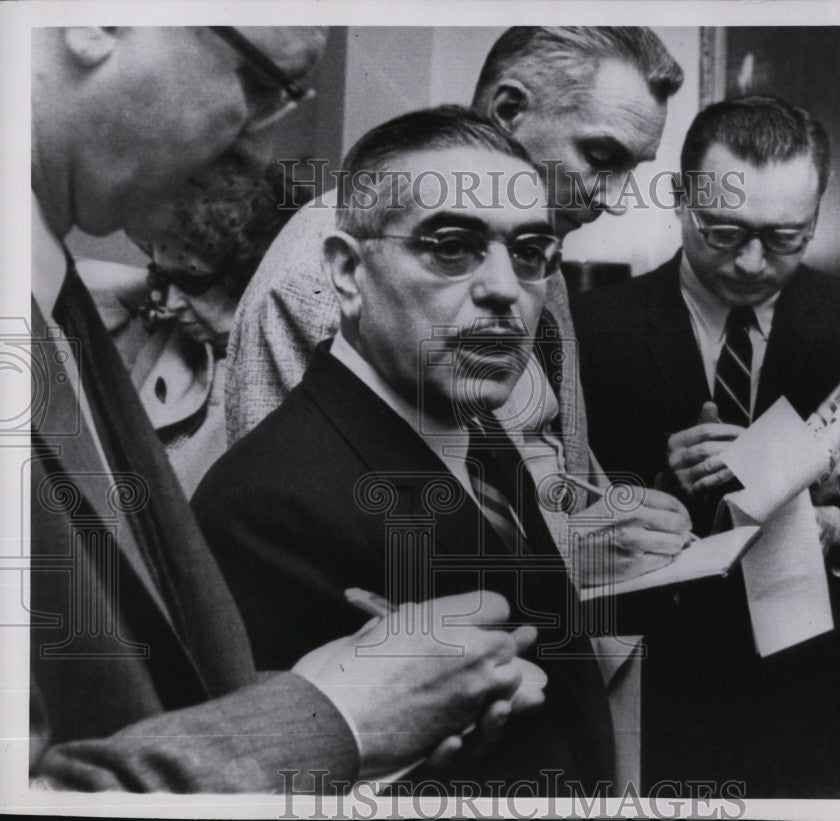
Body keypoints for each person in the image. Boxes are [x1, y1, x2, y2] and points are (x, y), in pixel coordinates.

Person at [30, 26, 536, 792]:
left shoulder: (51, 299)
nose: (261, 151)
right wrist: (331, 715)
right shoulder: (271, 498)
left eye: (532, 253)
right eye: (259, 80)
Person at [193, 106, 692, 794]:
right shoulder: (267, 510)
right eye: (451, 246)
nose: (502, 289)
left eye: (528, 253)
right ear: (345, 271)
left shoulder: (473, 427)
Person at [225, 26, 684, 493]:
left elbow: (551, 443)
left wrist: (611, 508)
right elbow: (306, 511)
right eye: (601, 155)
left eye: (632, 169)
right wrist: (576, 559)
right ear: (508, 110)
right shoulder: (330, 261)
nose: (616, 199)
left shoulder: (534, 246)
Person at [571, 96, 840, 796]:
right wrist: (659, 485)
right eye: (724, 232)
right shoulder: (587, 328)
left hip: (813, 700)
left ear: (817, 216)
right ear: (679, 198)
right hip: (649, 693)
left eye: (785, 237)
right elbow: (545, 511)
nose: (753, 262)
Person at [78, 158, 297, 496]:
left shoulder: (290, 375)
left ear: (248, 271)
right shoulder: (156, 331)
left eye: (192, 281)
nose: (171, 303)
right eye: (163, 276)